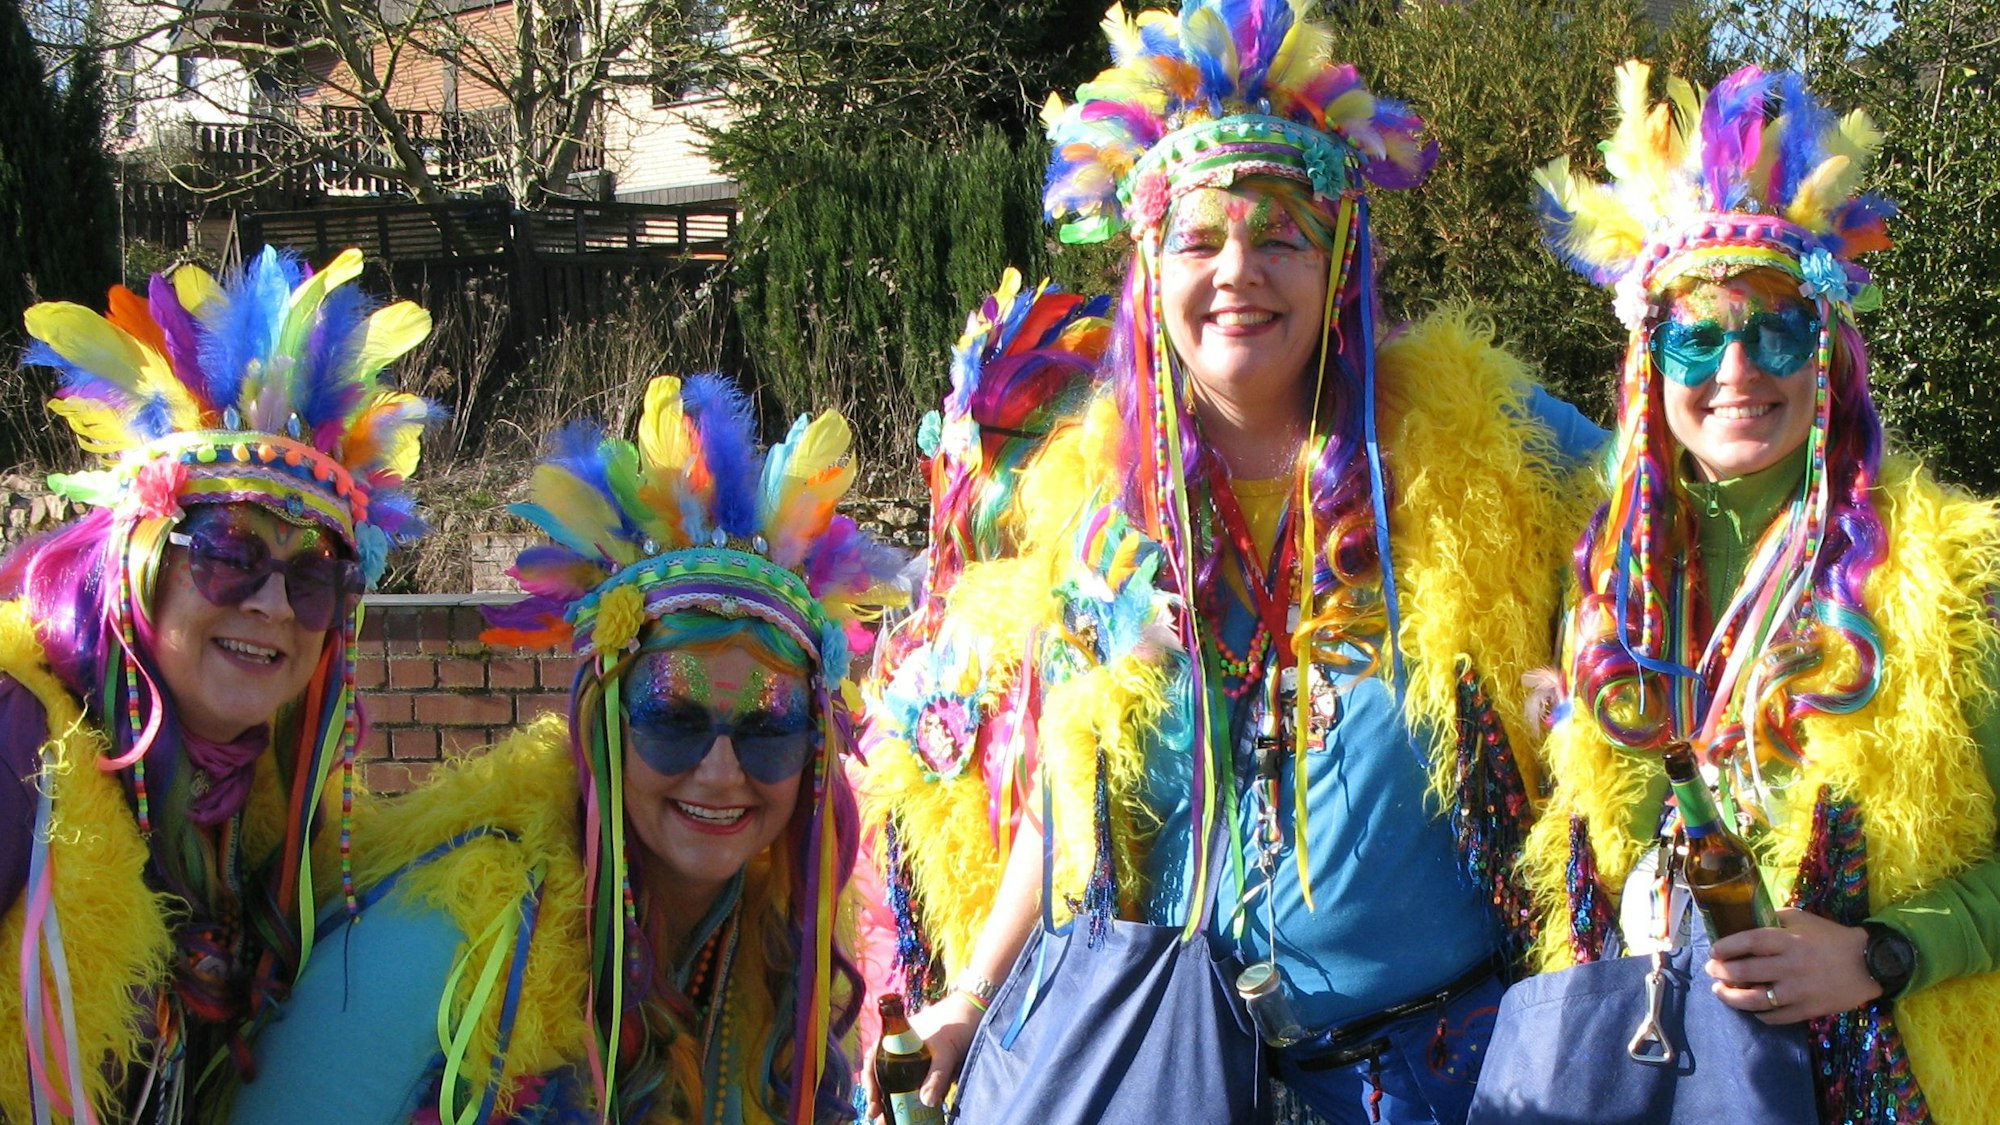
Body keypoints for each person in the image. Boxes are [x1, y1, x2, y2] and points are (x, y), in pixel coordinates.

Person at [875, 2, 1603, 1122]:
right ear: (1148, 264)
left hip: (1434, 1082)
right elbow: (1063, 802)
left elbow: (1674, 507)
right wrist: (969, 998)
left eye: (1278, 238)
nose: (1237, 272)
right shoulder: (1097, 510)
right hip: (1171, 1077)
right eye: (1200, 239)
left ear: (1336, 262)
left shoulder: (1483, 446)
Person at [1523, 62, 2000, 1121]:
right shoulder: (1607, 581)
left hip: (1882, 1084)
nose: (1735, 369)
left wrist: (1882, 952)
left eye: (1775, 330)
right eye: (1696, 335)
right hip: (1650, 1069)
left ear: (1827, 356)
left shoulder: (1951, 576)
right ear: (1649, 364)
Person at [238, 373, 905, 1125]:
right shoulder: (459, 936)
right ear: (601, 729)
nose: (722, 773)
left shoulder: (774, 943)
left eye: (768, 729)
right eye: (673, 719)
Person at [0, 247, 435, 1122]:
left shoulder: (267, 817)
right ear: (139, 564)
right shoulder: (19, 741)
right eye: (230, 556)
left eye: (312, 577)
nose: (272, 604)